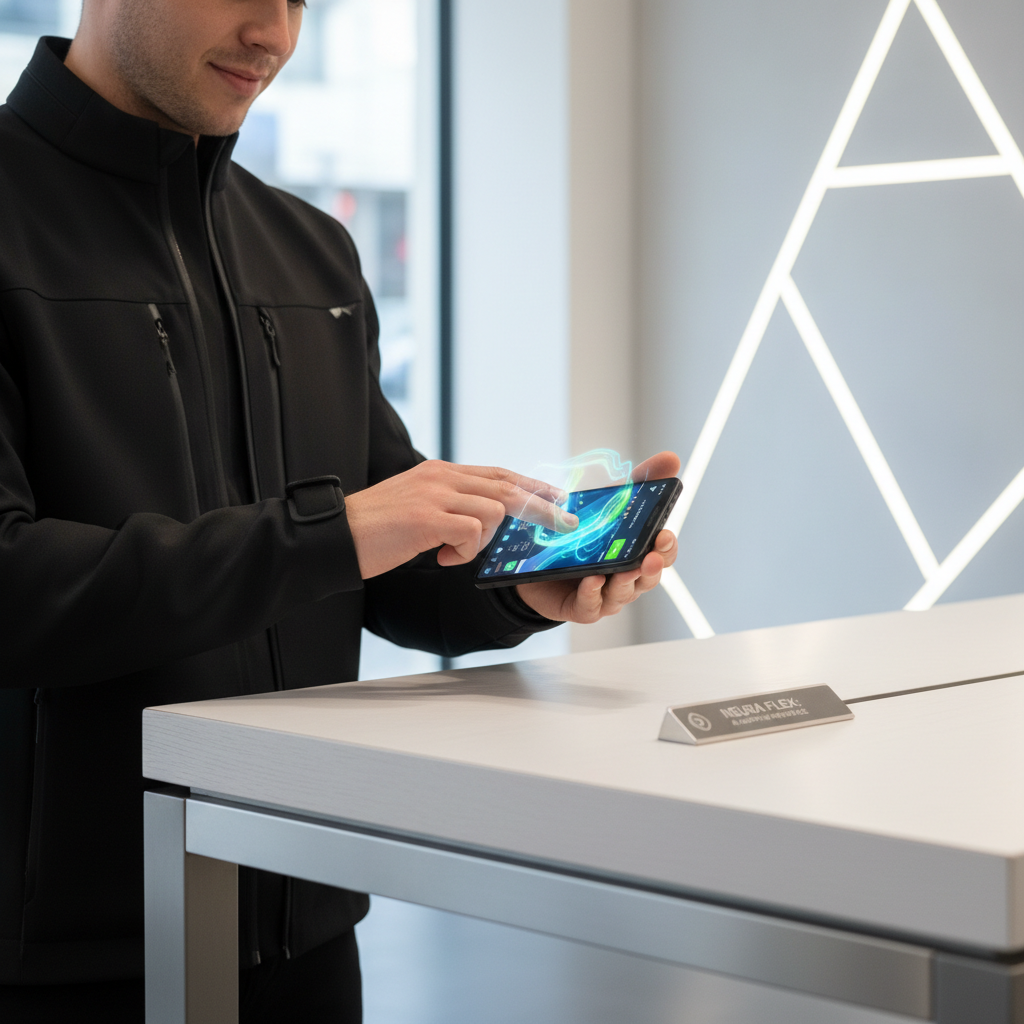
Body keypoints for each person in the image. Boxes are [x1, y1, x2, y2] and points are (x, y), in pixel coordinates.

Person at [0, 1, 681, 1021]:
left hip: (304, 932)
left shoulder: (309, 251)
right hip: (59, 959)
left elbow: (382, 569)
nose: (270, 33)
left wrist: (523, 587)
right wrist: (339, 531)